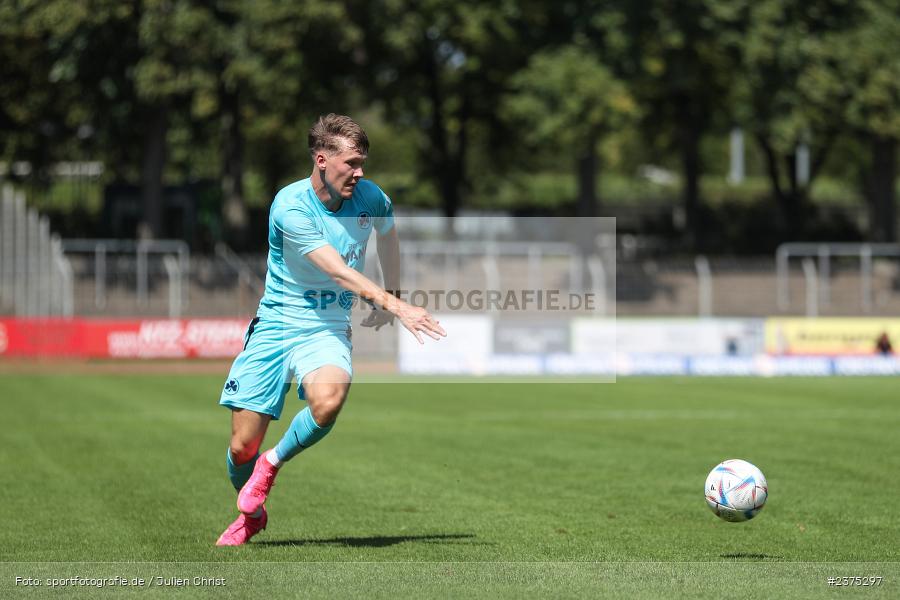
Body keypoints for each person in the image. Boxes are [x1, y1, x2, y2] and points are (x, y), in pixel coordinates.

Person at [215, 114, 446, 546]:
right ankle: (252, 513)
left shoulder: (372, 199)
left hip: (326, 327)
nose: (360, 173)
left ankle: (271, 466)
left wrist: (392, 289)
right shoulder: (290, 206)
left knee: (329, 400)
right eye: (351, 163)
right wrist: (399, 307)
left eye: (363, 164)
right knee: (241, 448)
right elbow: (338, 271)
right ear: (322, 160)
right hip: (277, 324)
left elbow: (389, 239)